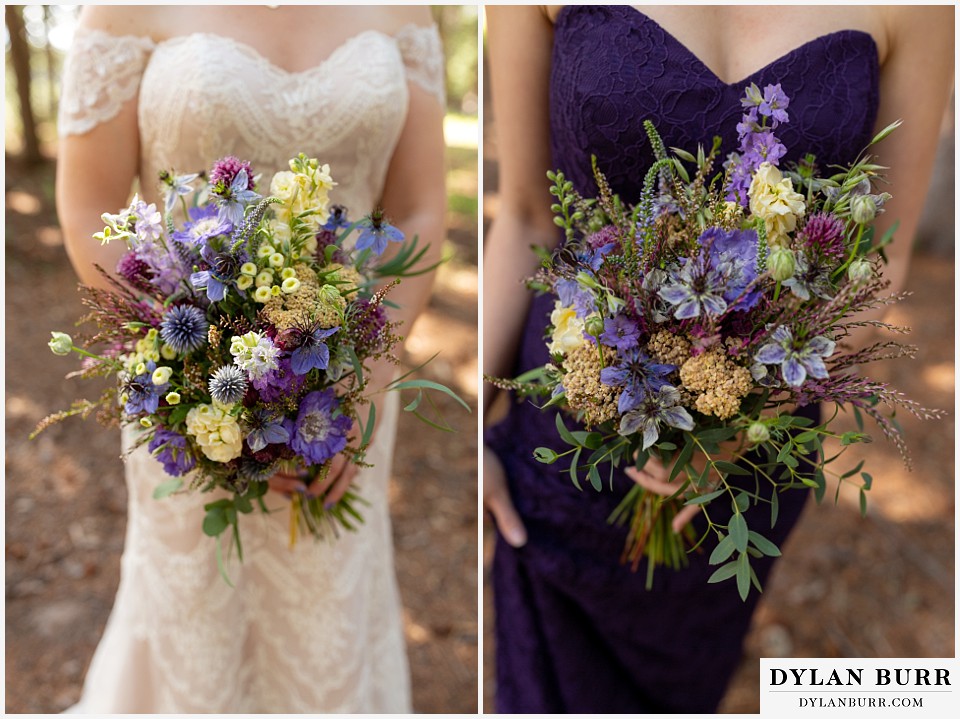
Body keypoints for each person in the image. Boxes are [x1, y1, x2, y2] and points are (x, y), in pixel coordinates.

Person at [483, 5, 952, 713]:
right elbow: (524, 215)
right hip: (567, 437)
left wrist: (745, 413)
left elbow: (878, 267)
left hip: (747, 467)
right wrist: (468, 434)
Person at [56, 4, 446, 713]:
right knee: (199, 627)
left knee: (329, 614)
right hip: (186, 391)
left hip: (347, 393)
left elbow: (419, 209)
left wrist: (367, 372)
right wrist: (188, 366)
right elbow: (87, 205)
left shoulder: (407, 10)